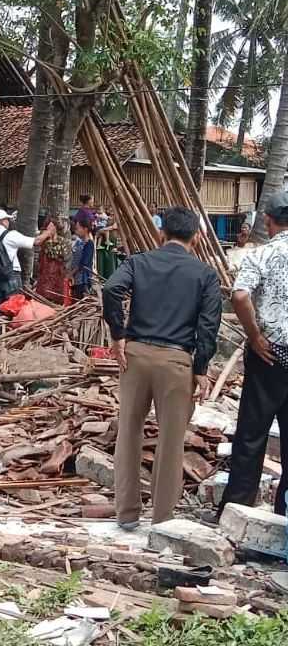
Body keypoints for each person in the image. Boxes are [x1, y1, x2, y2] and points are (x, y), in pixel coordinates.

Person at [103, 207, 221, 528]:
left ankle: (126, 515)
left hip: (136, 356)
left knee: (129, 432)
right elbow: (208, 327)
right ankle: (163, 519)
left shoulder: (139, 262)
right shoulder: (205, 275)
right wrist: (201, 368)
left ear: (161, 234)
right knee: (171, 441)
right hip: (176, 361)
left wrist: (118, 335)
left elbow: (111, 289)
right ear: (196, 238)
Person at [216, 192, 288, 519]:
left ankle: (236, 508)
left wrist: (254, 334)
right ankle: (283, 513)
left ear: (270, 222)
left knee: (252, 433)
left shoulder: (263, 254)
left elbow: (241, 294)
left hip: (269, 353)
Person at [0, 208, 49, 321]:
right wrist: (48, 232)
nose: (8, 222)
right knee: (14, 307)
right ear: (2, 221)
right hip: (12, 276)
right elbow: (36, 242)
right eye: (7, 219)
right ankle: (12, 331)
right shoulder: (11, 235)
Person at [35, 217, 71, 304]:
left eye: (52, 226)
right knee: (44, 296)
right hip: (45, 273)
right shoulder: (44, 241)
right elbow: (51, 253)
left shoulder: (62, 240)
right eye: (48, 227)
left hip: (58, 273)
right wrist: (49, 238)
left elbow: (63, 254)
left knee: (57, 297)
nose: (50, 229)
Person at [71, 218, 95, 299]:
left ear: (85, 229)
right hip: (76, 279)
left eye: (78, 228)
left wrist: (71, 274)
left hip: (83, 280)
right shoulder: (78, 242)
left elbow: (83, 264)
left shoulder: (89, 244)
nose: (76, 231)